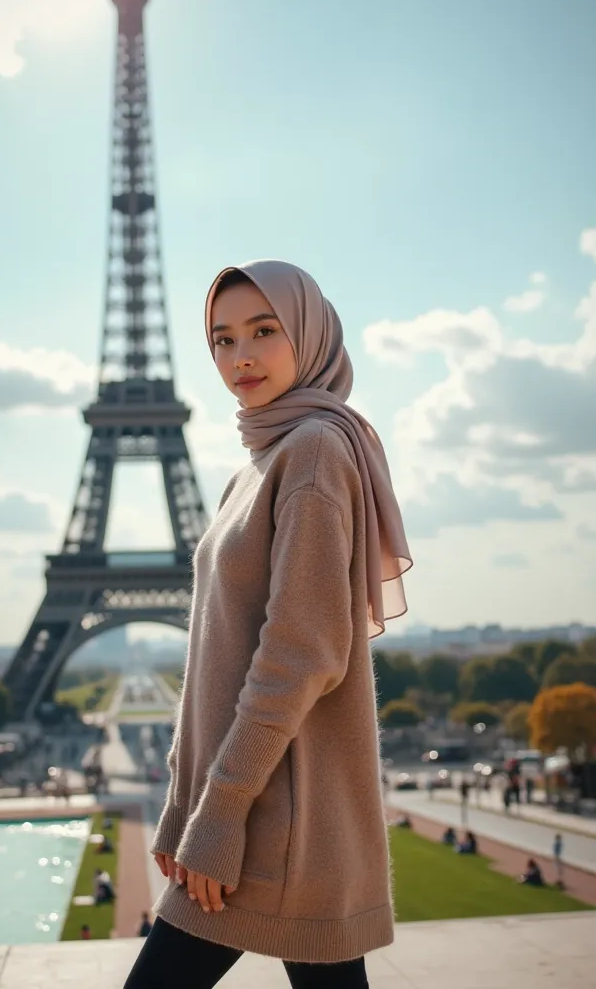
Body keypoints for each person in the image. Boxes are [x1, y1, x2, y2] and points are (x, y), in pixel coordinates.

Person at [123, 261, 412, 989]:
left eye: (263, 330)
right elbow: (216, 653)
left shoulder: (313, 449)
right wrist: (181, 807)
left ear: (310, 334)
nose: (239, 356)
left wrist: (216, 815)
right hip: (267, 809)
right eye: (220, 339)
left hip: (267, 818)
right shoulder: (258, 462)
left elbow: (302, 651)